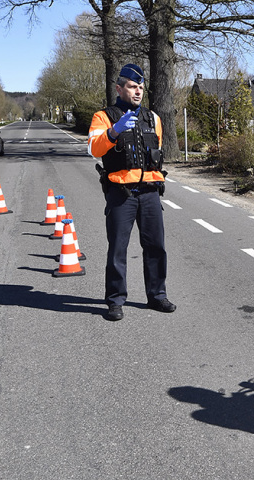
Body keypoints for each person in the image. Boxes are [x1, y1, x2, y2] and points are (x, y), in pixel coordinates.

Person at [87, 63, 176, 321]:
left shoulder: (153, 118)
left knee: (156, 246)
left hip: (149, 191)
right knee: (118, 248)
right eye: (132, 86)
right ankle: (115, 301)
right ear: (119, 88)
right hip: (121, 193)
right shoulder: (103, 117)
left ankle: (157, 295)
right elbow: (94, 148)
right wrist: (114, 131)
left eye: (140, 87)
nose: (137, 92)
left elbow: (158, 152)